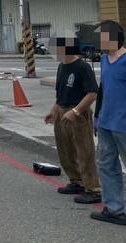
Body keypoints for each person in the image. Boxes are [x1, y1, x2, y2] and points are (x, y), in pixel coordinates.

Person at [43, 36, 101, 204]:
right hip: (62, 110)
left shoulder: (82, 67)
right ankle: (76, 181)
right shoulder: (62, 67)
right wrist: (53, 111)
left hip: (78, 113)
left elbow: (92, 93)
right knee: (65, 149)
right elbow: (59, 93)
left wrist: (76, 111)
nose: (54, 54)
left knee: (84, 151)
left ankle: (93, 189)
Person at [91, 20, 126, 225]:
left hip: (123, 124)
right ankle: (114, 209)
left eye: (105, 37)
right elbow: (103, 89)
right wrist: (97, 116)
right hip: (106, 123)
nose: (102, 41)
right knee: (107, 166)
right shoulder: (104, 59)